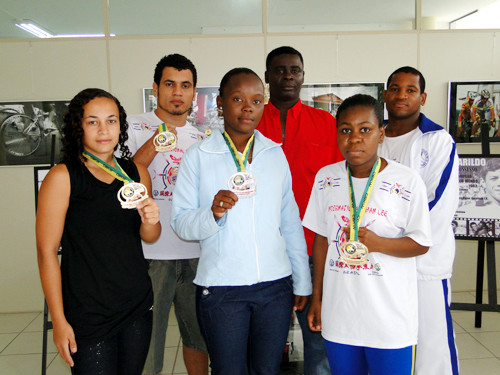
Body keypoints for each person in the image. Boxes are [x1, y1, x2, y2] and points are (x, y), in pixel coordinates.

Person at [171, 67, 312, 375]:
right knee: (228, 370)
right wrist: (213, 214)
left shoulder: (275, 154)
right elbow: (180, 222)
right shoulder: (198, 155)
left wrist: (301, 279)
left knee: (267, 369)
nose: (248, 107)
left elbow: (289, 222)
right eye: (237, 98)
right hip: (222, 289)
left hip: (275, 287)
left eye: (257, 100)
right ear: (220, 103)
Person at [304, 93, 432, 375]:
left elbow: (421, 243)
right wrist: (317, 298)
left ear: (381, 133)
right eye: (346, 130)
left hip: (389, 318)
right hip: (341, 316)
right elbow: (322, 240)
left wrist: (378, 243)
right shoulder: (326, 178)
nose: (355, 138)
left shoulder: (406, 181)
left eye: (365, 130)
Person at [36, 88, 161, 374]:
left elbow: (150, 237)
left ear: (121, 125)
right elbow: (45, 253)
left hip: (136, 305)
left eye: (111, 120)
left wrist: (150, 219)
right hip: (87, 311)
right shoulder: (63, 177)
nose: (104, 130)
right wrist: (58, 320)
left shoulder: (137, 173)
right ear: (78, 126)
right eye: (93, 121)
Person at [257, 46, 343, 374]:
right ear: (267, 76)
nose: (288, 76)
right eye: (280, 70)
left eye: (295, 69)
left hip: (314, 251)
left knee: (318, 339)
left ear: (304, 76)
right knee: (263, 344)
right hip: (264, 256)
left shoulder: (326, 124)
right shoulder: (249, 125)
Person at [125, 54, 208, 375]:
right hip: (149, 254)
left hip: (195, 253)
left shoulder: (201, 139)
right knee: (147, 343)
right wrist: (155, 142)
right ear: (156, 88)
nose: (177, 92)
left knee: (198, 338)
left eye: (185, 86)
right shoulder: (132, 125)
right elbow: (122, 177)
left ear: (194, 93)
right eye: (170, 84)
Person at [378, 66, 460, 375]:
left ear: (422, 97)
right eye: (395, 89)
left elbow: (435, 202)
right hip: (380, 259)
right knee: (388, 338)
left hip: (422, 264)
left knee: (431, 340)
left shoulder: (438, 140)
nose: (401, 95)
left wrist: (385, 233)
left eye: (410, 90)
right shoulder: (374, 135)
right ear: (385, 95)